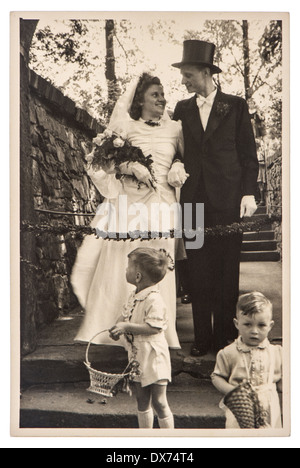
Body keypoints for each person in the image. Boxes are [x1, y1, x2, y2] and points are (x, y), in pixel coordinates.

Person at [71, 72, 188, 349]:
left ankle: (158, 327)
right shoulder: (126, 127)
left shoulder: (176, 129)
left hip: (162, 204)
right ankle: (118, 327)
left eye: (162, 94)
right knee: (124, 260)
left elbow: (186, 156)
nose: (162, 99)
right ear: (141, 100)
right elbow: (103, 163)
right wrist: (128, 167)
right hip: (128, 203)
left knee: (159, 263)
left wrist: (177, 166)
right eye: (155, 94)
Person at [172, 40, 259, 355]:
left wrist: (249, 192)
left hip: (228, 200)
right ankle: (203, 339)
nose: (184, 81)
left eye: (189, 74)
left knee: (227, 270)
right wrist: (177, 165)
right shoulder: (181, 109)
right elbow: (173, 152)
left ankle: (225, 336)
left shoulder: (235, 106)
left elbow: (249, 155)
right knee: (197, 272)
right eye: (183, 75)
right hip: (193, 203)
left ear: (206, 72)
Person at [109, 247, 175, 429]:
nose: (125, 270)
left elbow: (153, 327)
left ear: (138, 276)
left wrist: (127, 327)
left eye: (128, 267)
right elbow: (125, 315)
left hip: (154, 356)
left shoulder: (154, 299)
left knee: (159, 401)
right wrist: (117, 328)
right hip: (138, 356)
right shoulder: (134, 296)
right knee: (142, 398)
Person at [211, 292, 283, 429]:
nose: (254, 331)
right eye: (247, 324)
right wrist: (233, 392)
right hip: (241, 408)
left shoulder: (276, 352)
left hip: (269, 407)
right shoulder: (229, 352)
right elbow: (216, 376)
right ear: (237, 324)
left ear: (270, 326)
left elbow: (280, 381)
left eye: (261, 325)